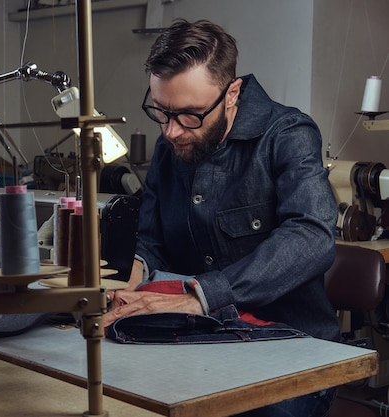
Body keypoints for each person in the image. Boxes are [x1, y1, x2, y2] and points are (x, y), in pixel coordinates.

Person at [103, 19, 340, 416]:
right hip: (200, 342)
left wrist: (204, 297)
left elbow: (311, 236)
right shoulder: (170, 146)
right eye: (161, 113)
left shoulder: (287, 134)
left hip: (291, 350)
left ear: (232, 94)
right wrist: (132, 284)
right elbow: (151, 240)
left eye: (189, 116)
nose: (172, 132)